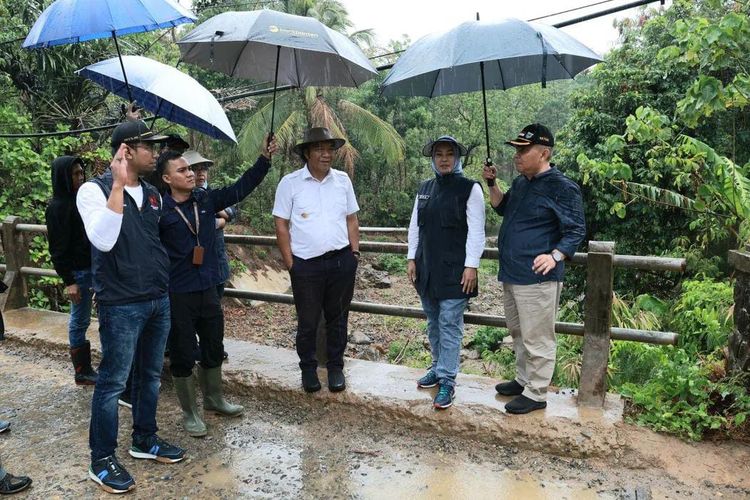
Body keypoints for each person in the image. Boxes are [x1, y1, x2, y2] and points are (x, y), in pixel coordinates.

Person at [77, 120, 185, 494]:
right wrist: (119, 185)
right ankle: (101, 458)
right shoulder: (93, 190)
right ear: (126, 150)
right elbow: (103, 241)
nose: (155, 154)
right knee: (112, 383)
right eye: (148, 147)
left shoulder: (154, 194)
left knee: (150, 375)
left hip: (157, 298)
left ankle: (145, 438)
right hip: (120, 304)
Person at [157, 137, 276, 437]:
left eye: (190, 169)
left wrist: (264, 158)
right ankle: (190, 411)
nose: (190, 173)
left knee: (214, 343)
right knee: (183, 351)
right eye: (182, 170)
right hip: (179, 292)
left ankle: (214, 398)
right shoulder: (159, 212)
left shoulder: (206, 201)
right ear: (167, 178)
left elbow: (240, 188)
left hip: (208, 286)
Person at [482, 124, 586, 414]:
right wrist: (491, 184)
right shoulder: (521, 183)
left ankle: (537, 392)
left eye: (523, 150)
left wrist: (555, 255)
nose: (517, 155)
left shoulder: (562, 186)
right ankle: (523, 379)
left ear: (544, 153)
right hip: (512, 272)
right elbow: (502, 208)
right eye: (516, 149)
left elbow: (576, 230)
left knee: (537, 336)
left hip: (538, 278)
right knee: (518, 331)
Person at [273, 127, 360, 393]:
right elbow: (281, 224)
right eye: (320, 149)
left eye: (330, 149)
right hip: (306, 265)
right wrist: (291, 264)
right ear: (307, 153)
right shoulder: (290, 183)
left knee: (338, 318)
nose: (326, 154)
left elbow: (351, 218)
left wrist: (354, 254)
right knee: (308, 321)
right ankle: (308, 369)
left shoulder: (343, 180)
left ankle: (335, 367)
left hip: (340, 261)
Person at [407, 136, 485, 410]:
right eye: (438, 154)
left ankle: (448, 381)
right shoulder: (425, 189)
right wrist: (410, 258)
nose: (443, 158)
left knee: (450, 323)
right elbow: (415, 227)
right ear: (432, 158)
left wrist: (472, 265)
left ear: (457, 158)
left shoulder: (470, 189)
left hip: (456, 271)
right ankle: (437, 367)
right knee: (433, 321)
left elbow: (477, 230)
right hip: (427, 267)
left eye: (449, 154)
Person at [45, 156, 98, 386]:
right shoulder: (57, 208)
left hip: (94, 267)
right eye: (75, 174)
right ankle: (82, 370)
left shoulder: (82, 200)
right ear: (63, 177)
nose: (80, 177)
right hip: (78, 273)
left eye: (81, 173)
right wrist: (69, 281)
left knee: (104, 315)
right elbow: (57, 249)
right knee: (80, 320)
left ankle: (93, 368)